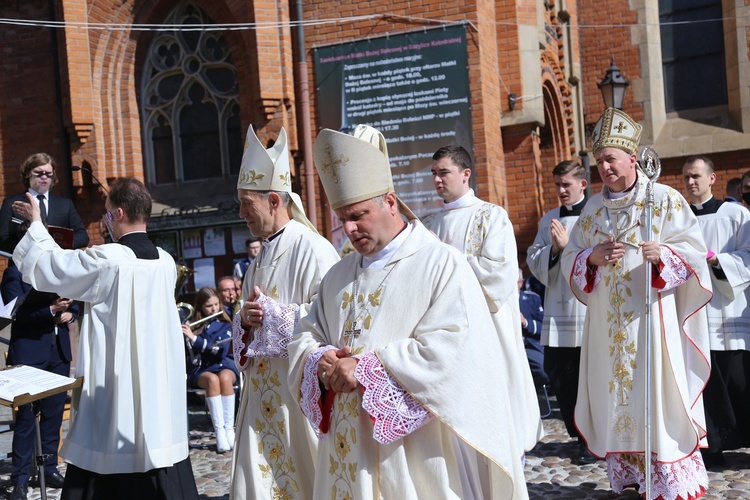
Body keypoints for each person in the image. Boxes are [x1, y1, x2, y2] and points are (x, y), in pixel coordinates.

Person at [288, 126, 529, 499]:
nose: (349, 229)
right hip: (345, 450)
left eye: (359, 215)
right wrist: (319, 358)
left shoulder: (441, 263)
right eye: (342, 217)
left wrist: (368, 368)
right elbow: (306, 332)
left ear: (389, 201)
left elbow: (454, 347)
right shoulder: (338, 274)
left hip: (418, 452)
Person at [11, 177, 198, 499]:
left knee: (107, 440)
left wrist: (37, 224)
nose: (105, 221)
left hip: (117, 386)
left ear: (118, 213)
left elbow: (49, 266)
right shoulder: (166, 262)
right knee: (157, 439)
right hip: (157, 385)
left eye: (107, 213)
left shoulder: (108, 259)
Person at [561, 107, 712, 499]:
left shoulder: (663, 199)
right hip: (609, 330)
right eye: (599, 162)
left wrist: (664, 254)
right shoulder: (592, 209)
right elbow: (570, 256)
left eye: (611, 159)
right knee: (617, 395)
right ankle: (630, 474)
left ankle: (665, 475)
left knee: (656, 390)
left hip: (652, 319)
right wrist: (588, 258)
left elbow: (695, 253)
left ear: (633, 158)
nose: (605, 168)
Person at [230, 126, 339, 499]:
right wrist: (245, 320)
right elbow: (243, 318)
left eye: (248, 204)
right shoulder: (257, 260)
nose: (242, 214)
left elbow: (330, 320)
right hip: (260, 397)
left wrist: (275, 316)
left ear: (274, 201)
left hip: (295, 396)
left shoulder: (314, 249)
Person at [422, 144, 543, 455]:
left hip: (486, 329)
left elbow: (499, 275)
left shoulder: (491, 216)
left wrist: (444, 254)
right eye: (434, 173)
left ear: (465, 174)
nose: (437, 180)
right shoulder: (429, 224)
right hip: (443, 331)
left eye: (443, 172)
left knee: (493, 409)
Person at [682, 155, 750, 467]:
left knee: (737, 380)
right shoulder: (679, 220)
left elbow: (748, 255)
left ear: (712, 178)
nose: (690, 182)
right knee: (705, 382)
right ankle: (714, 447)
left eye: (696, 176)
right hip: (695, 313)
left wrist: (717, 262)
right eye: (686, 178)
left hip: (729, 309)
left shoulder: (735, 214)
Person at [526, 159, 593, 464]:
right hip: (557, 310)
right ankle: (577, 432)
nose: (562, 191)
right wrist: (553, 251)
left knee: (587, 376)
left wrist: (568, 248)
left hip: (587, 310)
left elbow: (604, 255)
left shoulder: (597, 214)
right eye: (558, 185)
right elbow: (534, 259)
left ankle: (589, 439)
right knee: (559, 374)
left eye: (567, 184)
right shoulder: (548, 219)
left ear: (583, 184)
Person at [0, 265, 78, 500]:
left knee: (53, 416)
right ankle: (21, 479)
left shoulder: (58, 269)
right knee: (25, 420)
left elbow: (74, 301)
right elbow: (15, 313)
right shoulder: (14, 273)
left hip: (58, 355)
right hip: (29, 354)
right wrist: (51, 308)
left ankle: (50, 467)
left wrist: (70, 312)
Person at [182, 286, 238, 454]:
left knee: (225, 379)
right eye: (209, 306)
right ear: (200, 307)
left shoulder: (225, 323)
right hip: (202, 369)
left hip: (223, 364)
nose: (214, 309)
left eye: (216, 304)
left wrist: (195, 339)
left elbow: (218, 350)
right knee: (213, 380)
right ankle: (219, 431)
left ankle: (230, 429)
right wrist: (186, 336)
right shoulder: (194, 325)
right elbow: (190, 354)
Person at [0, 152, 89, 254]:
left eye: (48, 173)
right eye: (39, 173)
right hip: (23, 266)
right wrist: (31, 248)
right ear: (28, 174)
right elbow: (3, 239)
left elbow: (83, 236)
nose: (44, 177)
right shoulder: (11, 203)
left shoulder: (65, 204)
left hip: (57, 264)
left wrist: (53, 246)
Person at [517, 268, 548, 388]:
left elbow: (544, 327)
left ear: (521, 282)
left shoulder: (532, 299)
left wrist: (525, 323)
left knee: (543, 370)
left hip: (528, 345)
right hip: (504, 345)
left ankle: (530, 393)